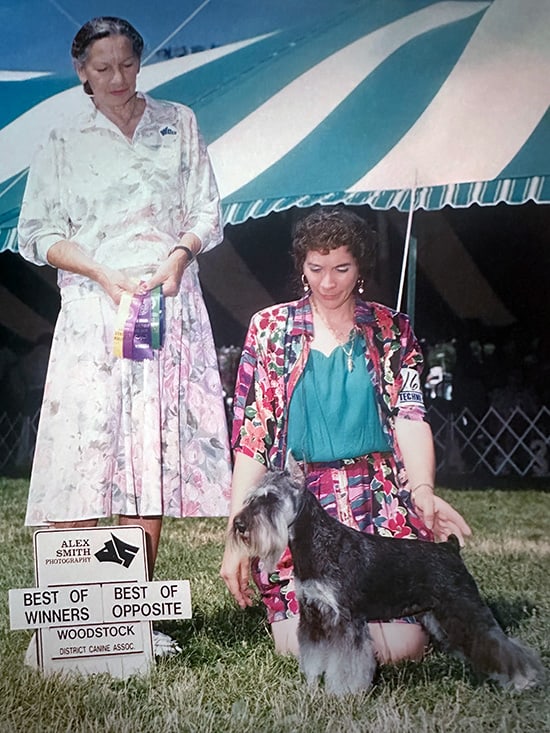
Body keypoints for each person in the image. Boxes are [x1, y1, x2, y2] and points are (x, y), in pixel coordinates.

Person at [18, 17, 231, 605]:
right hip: (95, 316)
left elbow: (206, 212)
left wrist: (180, 256)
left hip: (166, 311)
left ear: (141, 63)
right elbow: (35, 233)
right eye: (103, 68)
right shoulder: (62, 141)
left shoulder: (179, 124)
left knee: (148, 465)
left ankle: (128, 614)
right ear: (82, 71)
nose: (117, 78)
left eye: (127, 65)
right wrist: (99, 271)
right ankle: (75, 617)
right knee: (84, 459)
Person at [221, 207, 471, 662]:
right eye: (316, 268)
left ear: (361, 269)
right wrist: (236, 538)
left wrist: (423, 492)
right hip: (303, 506)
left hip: (376, 501)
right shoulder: (270, 329)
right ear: (302, 266)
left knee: (401, 649)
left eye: (342, 268)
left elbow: (410, 417)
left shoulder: (393, 330)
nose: (328, 282)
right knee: (299, 646)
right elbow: (253, 437)